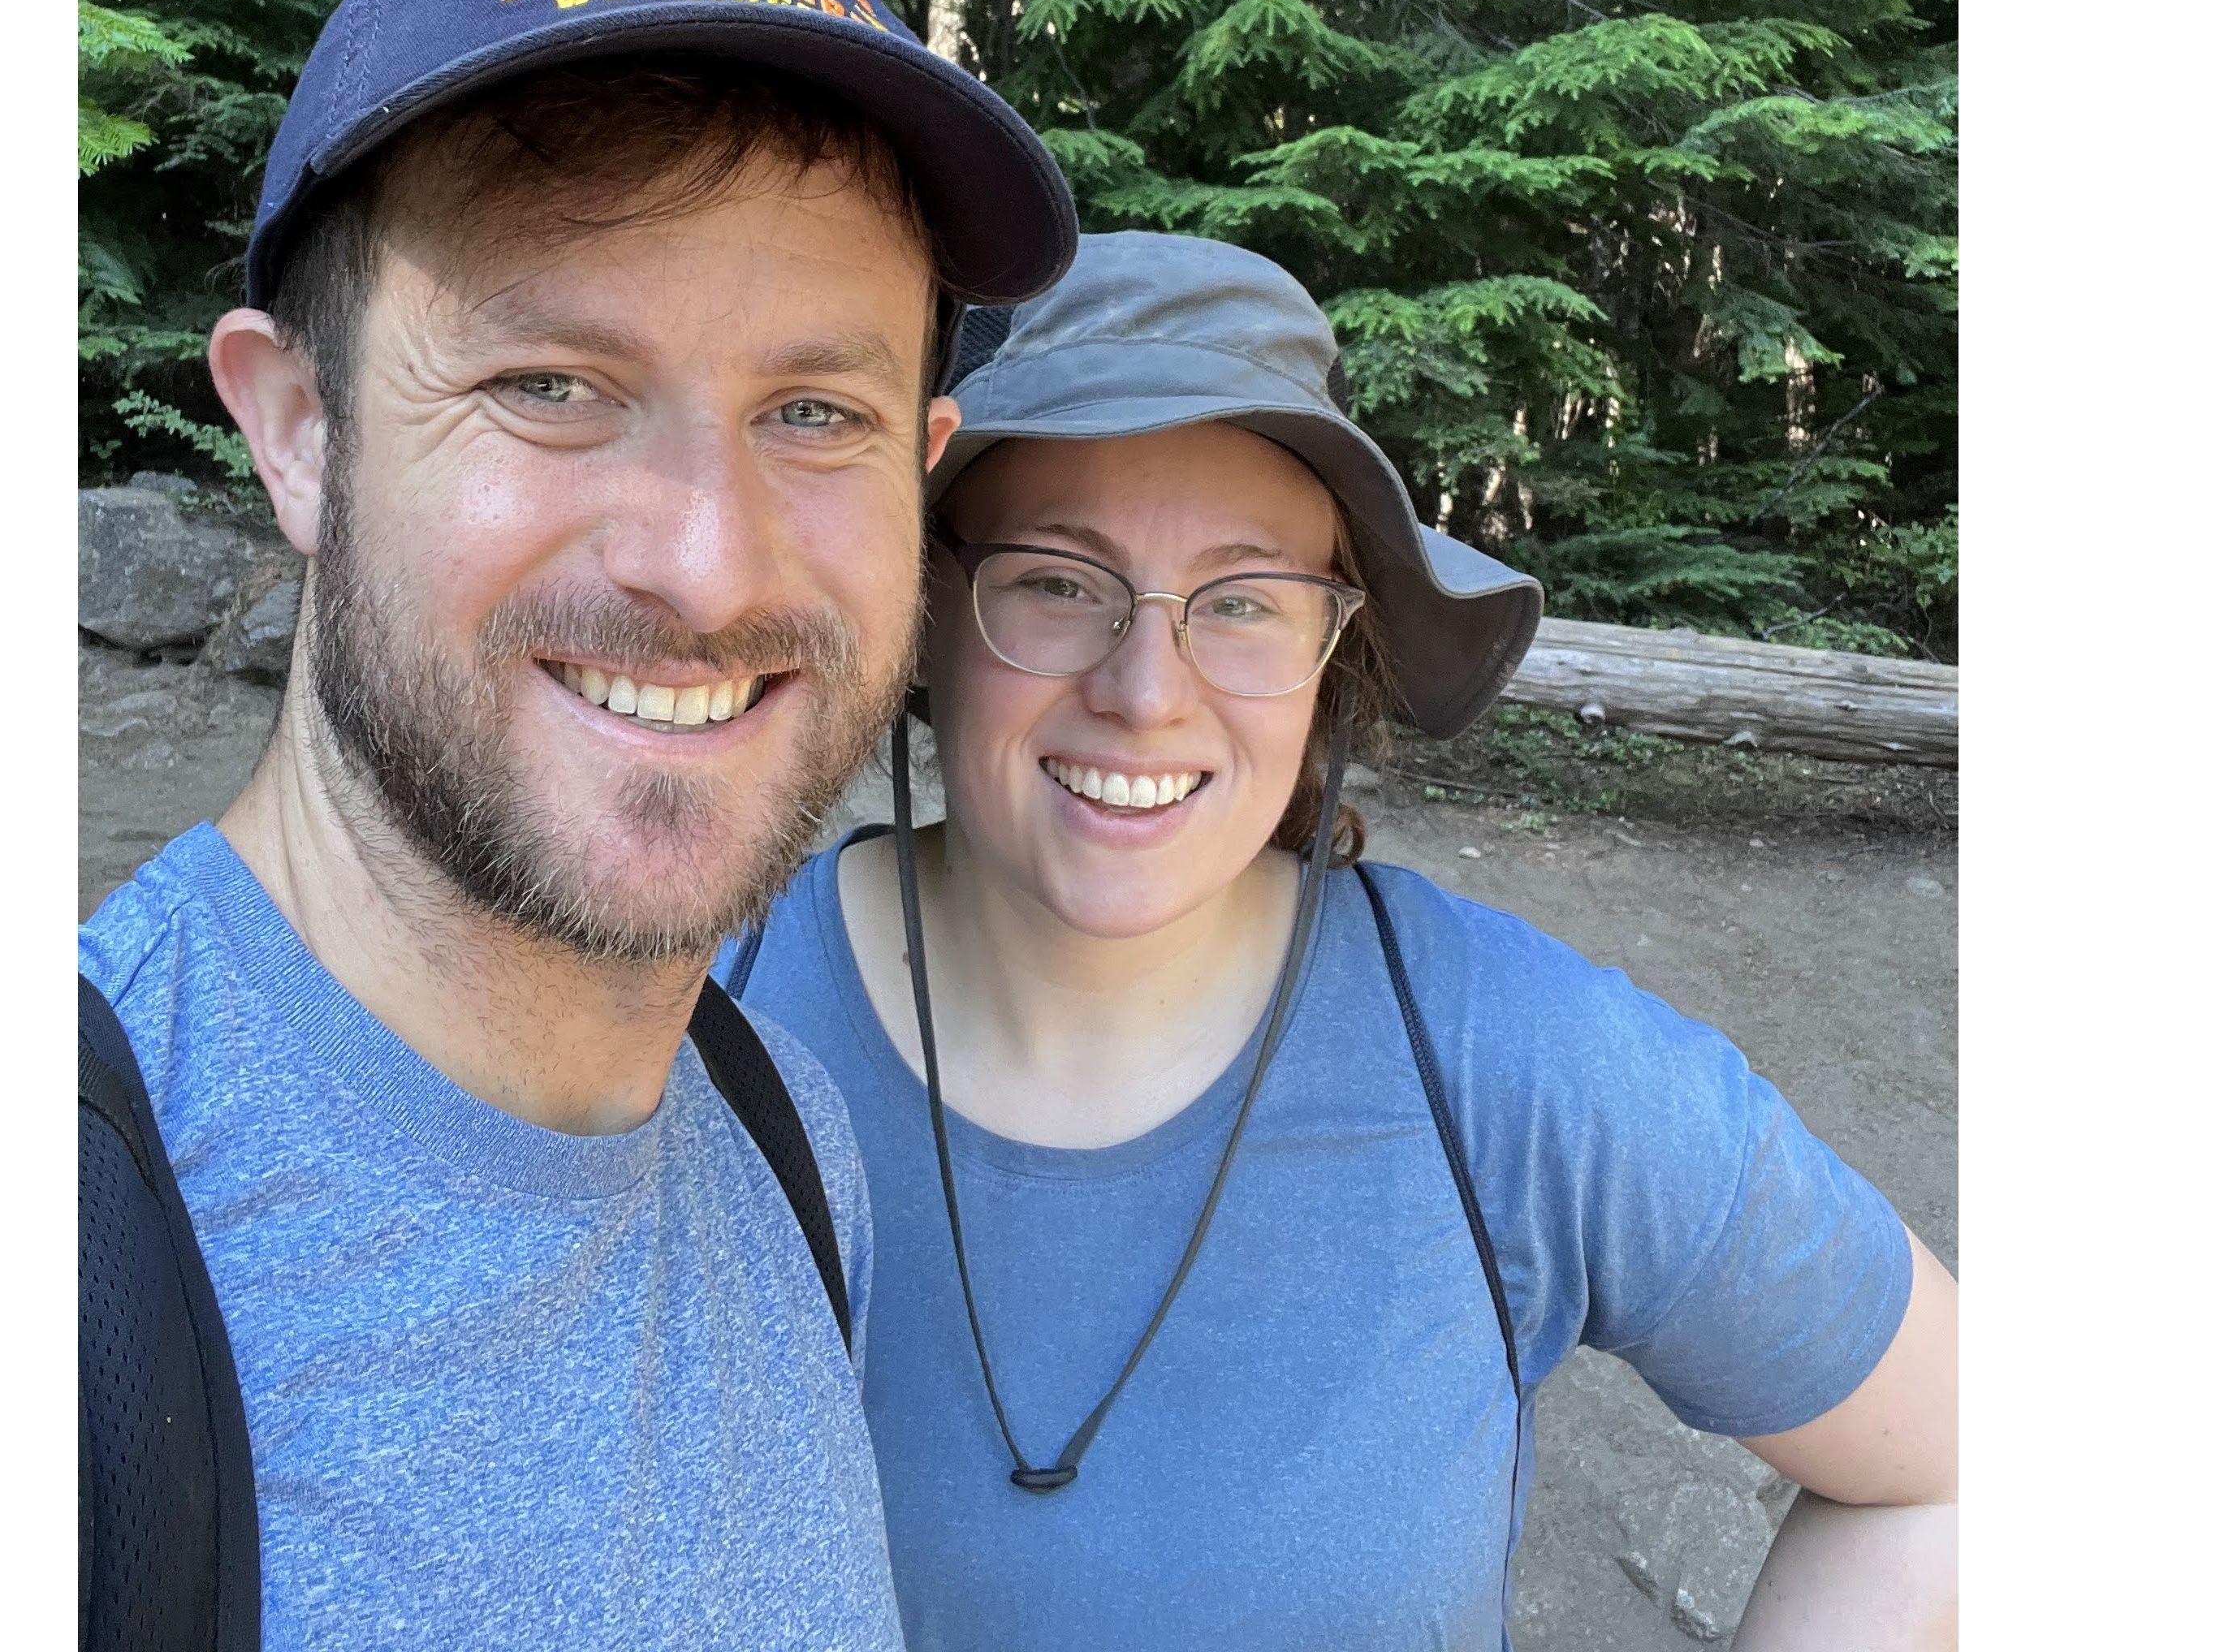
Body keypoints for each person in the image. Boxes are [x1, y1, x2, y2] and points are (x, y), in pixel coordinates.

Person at [78, 0, 1077, 1650]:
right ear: (299, 429)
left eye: (814, 413)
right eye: (550, 381)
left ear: (920, 464)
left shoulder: (787, 1145)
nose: (709, 561)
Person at [725, 231, 1960, 1650]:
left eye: (1245, 602)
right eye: (1058, 581)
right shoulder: (686, 1028)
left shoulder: (1510, 1069)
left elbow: (1950, 1470)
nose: (1146, 691)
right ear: (926, 610)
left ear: (1333, 655)